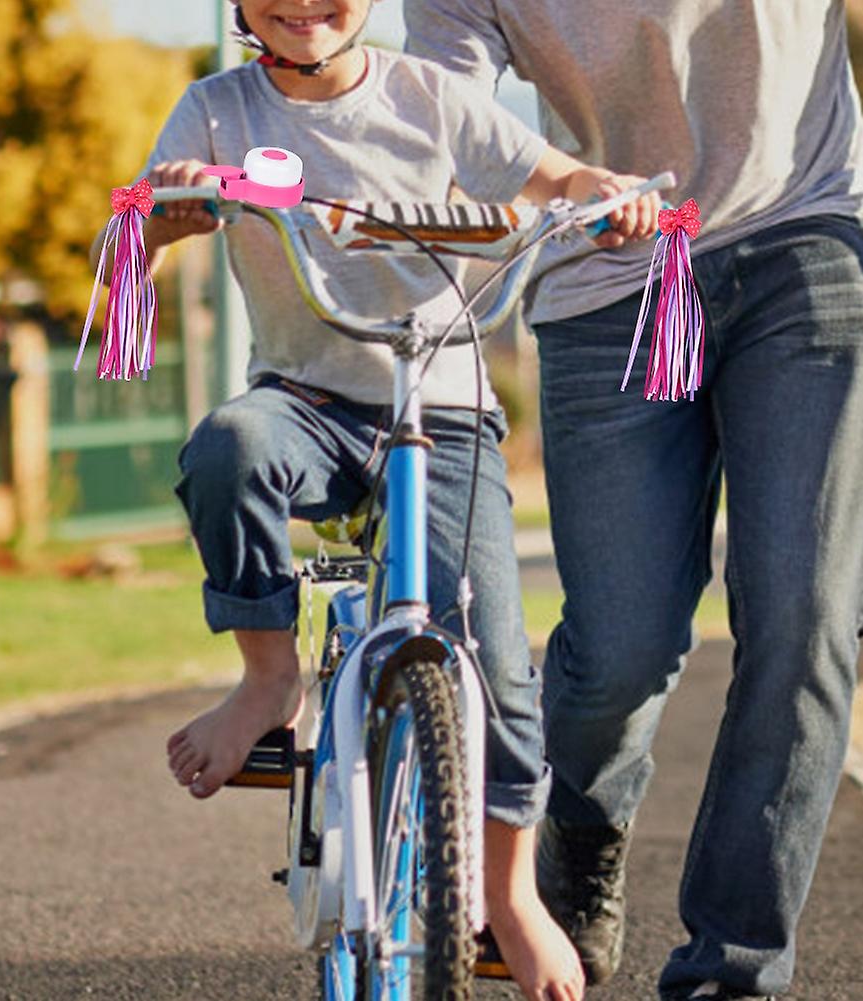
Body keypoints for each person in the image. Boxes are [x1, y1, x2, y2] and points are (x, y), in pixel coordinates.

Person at [88, 1, 660, 996]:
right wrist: (168, 208)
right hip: (302, 400)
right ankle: (269, 676)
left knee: (495, 660)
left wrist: (597, 189)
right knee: (229, 446)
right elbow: (135, 230)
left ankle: (511, 894)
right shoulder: (215, 109)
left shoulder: (429, 98)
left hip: (438, 407)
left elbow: (550, 178)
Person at [403, 3, 863, 1001]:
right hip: (604, 274)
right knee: (620, 647)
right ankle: (582, 819)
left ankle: (730, 964)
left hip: (803, 240)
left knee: (806, 617)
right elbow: (444, 116)